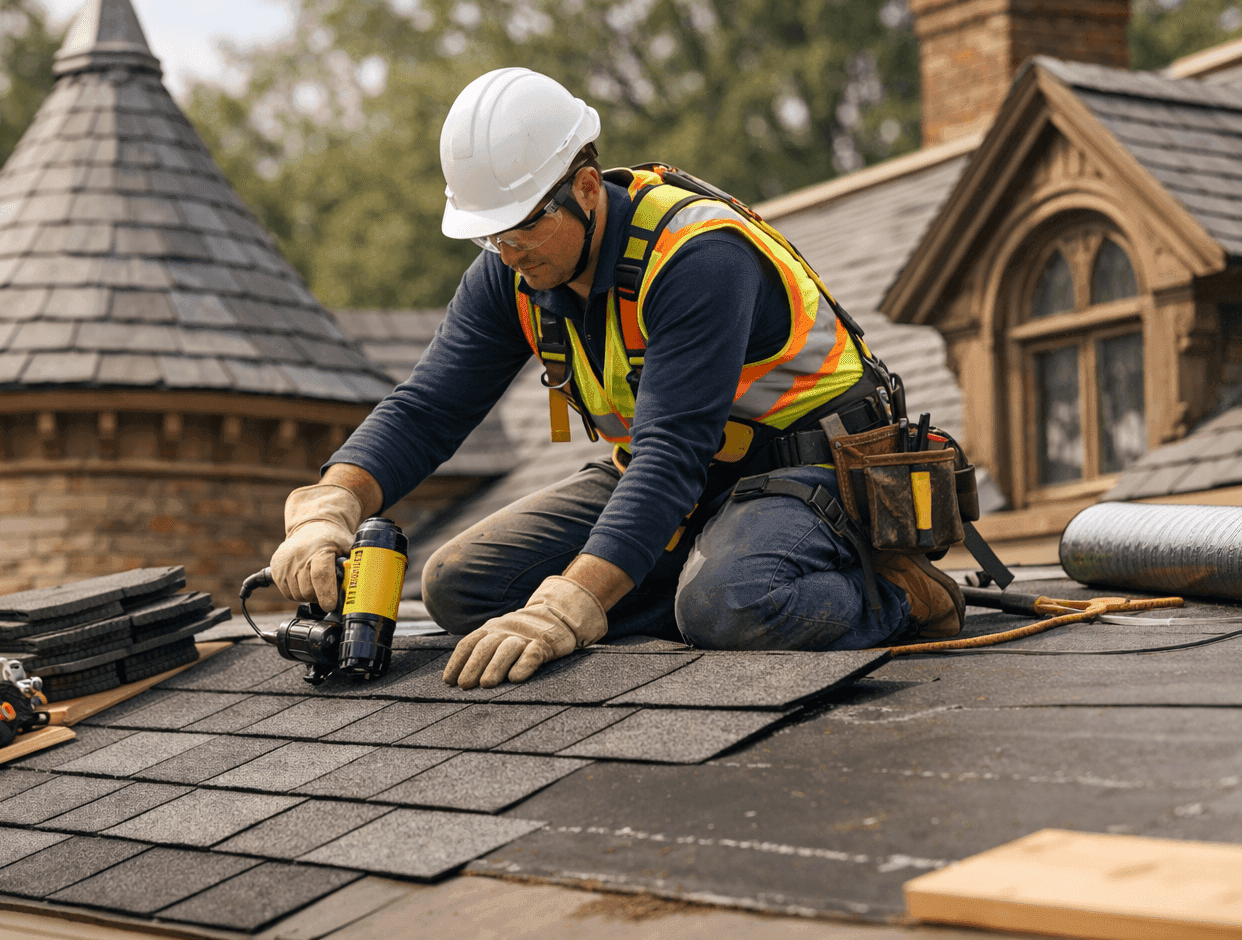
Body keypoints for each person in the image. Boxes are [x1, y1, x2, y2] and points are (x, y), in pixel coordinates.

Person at [268, 67, 964, 689]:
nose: (508, 253)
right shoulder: (511, 272)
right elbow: (427, 409)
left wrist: (567, 607)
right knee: (461, 590)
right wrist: (328, 508)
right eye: (491, 235)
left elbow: (670, 455)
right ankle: (698, 581)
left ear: (586, 188)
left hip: (809, 472)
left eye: (523, 227)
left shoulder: (698, 256)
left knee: (731, 605)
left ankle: (899, 598)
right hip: (687, 483)